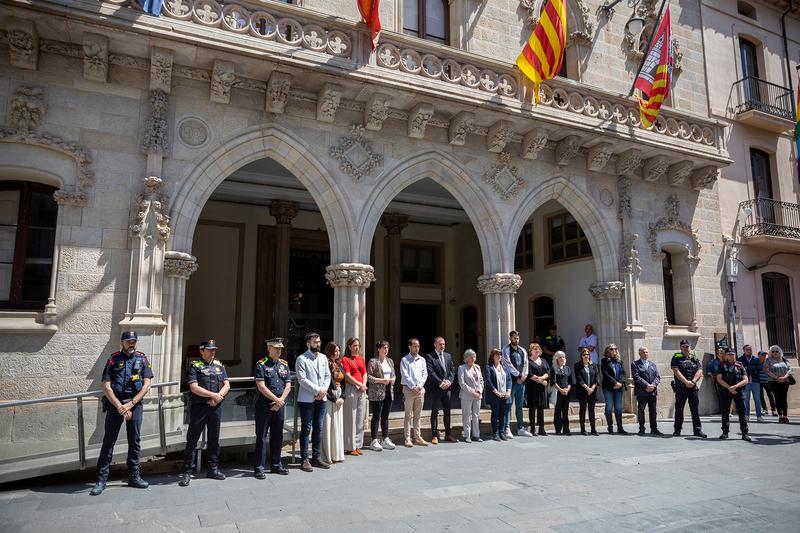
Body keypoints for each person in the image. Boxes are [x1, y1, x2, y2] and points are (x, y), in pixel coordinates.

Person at [90, 331, 154, 496]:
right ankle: (101, 479)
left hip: (135, 404)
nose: (131, 344)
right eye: (128, 341)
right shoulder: (113, 359)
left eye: (133, 341)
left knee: (135, 440)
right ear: (122, 342)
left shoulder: (142, 358)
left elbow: (147, 384)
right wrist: (120, 406)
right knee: (109, 441)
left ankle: (134, 476)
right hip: (116, 404)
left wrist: (131, 404)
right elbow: (106, 385)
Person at [179, 339, 230, 486]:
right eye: (209, 349)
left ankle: (213, 469)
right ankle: (187, 472)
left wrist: (219, 396)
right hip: (200, 407)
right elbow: (194, 387)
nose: (213, 351)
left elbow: (227, 384)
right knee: (192, 440)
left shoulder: (219, 365)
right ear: (202, 351)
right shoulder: (195, 366)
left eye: (214, 349)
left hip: (215, 407)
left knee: (214, 439)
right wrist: (212, 395)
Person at [253, 337, 292, 478]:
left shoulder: (284, 364)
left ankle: (276, 465)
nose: (279, 350)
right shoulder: (261, 364)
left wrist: (280, 400)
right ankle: (259, 468)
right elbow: (261, 386)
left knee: (277, 436)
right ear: (269, 349)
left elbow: (288, 384)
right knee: (261, 437)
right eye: (276, 348)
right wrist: (276, 399)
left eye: (280, 348)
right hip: (264, 405)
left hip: (279, 405)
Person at [295, 332, 332, 472]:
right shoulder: (301, 359)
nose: (318, 343)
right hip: (307, 399)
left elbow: (327, 376)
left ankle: (316, 457)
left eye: (319, 341)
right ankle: (304, 459)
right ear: (308, 343)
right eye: (315, 341)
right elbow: (302, 380)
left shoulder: (323, 358)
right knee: (306, 428)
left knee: (318, 428)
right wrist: (317, 390)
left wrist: (323, 390)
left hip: (321, 398)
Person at [670, 339, 706, 438]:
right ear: (681, 348)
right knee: (679, 410)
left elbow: (699, 371)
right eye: (684, 347)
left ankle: (697, 430)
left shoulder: (694, 357)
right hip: (681, 387)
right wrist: (686, 382)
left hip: (693, 387)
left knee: (695, 410)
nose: (686, 348)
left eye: (687, 346)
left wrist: (693, 381)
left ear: (690, 347)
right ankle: (677, 430)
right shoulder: (676, 357)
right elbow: (676, 371)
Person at [366, 340, 397, 451]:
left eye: (387, 347)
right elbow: (368, 377)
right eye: (384, 347)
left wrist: (393, 379)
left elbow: (393, 375)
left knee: (385, 416)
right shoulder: (373, 361)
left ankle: (385, 438)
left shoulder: (390, 361)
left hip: (389, 391)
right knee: (376, 416)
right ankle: (374, 440)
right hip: (377, 393)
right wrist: (381, 380)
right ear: (378, 349)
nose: (386, 349)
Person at [425, 337, 457, 443]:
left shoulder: (448, 356)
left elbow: (452, 370)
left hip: (447, 389)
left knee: (447, 411)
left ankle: (448, 434)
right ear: (435, 344)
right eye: (440, 344)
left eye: (443, 344)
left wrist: (449, 381)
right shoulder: (430, 356)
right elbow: (430, 372)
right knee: (435, 412)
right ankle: (434, 435)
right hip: (436, 389)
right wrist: (440, 382)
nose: (442, 346)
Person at [716, 349, 751, 441]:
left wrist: (735, 387)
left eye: (732, 354)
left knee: (742, 412)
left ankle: (745, 433)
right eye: (729, 354)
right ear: (726, 355)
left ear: (735, 355)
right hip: (725, 391)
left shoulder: (740, 365)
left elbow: (746, 380)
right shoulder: (722, 364)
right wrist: (729, 388)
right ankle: (725, 432)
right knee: (725, 412)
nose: (731, 355)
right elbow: (719, 379)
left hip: (738, 391)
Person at [400, 338, 428, 447]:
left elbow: (425, 374)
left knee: (418, 415)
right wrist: (413, 386)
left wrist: (420, 386)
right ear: (409, 347)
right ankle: (407, 438)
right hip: (408, 390)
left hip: (420, 390)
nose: (417, 348)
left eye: (418, 346)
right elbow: (405, 375)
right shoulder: (405, 360)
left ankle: (417, 436)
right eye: (414, 346)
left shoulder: (422, 360)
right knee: (408, 415)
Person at [502, 330, 530, 438]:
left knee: (519, 405)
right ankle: (507, 428)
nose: (516, 340)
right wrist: (518, 375)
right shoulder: (506, 350)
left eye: (517, 338)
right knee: (508, 405)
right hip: (511, 382)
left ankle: (520, 428)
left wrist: (523, 376)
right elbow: (508, 364)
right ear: (510, 338)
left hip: (521, 382)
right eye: (514, 338)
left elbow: (526, 364)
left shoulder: (522, 350)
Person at [341, 337, 368, 455]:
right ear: (349, 347)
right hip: (351, 388)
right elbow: (347, 376)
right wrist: (358, 384)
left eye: (358, 345)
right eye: (354, 345)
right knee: (350, 418)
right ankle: (349, 446)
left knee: (360, 418)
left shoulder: (361, 359)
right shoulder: (345, 359)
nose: (357, 348)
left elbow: (365, 373)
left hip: (362, 389)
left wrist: (363, 385)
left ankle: (357, 445)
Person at [322, 341, 345, 464]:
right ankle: (328, 455)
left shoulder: (339, 364)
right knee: (329, 426)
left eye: (338, 350)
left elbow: (344, 382)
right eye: (335, 350)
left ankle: (337, 454)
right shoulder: (326, 364)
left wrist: (343, 397)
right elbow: (326, 384)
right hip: (330, 398)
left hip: (339, 397)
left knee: (337, 426)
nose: (337, 353)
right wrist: (334, 399)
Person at [631, 346, 662, 436]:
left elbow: (657, 377)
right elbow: (636, 377)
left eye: (647, 352)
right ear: (640, 353)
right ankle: (642, 429)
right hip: (642, 391)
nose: (646, 354)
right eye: (644, 352)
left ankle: (654, 428)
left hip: (652, 391)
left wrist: (653, 385)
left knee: (653, 411)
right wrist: (647, 385)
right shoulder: (635, 364)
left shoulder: (652, 364)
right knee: (641, 410)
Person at [457, 349, 484, 443]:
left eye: (474, 356)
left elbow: (481, 381)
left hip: (477, 396)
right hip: (466, 395)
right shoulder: (461, 368)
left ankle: (476, 435)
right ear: (466, 358)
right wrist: (473, 392)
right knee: (466, 415)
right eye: (471, 356)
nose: (473, 358)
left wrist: (479, 391)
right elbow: (462, 383)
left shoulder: (477, 367)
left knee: (476, 415)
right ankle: (467, 435)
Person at [600, 344, 628, 434]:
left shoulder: (619, 361)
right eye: (611, 349)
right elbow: (604, 373)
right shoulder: (604, 361)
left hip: (619, 388)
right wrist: (614, 382)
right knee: (609, 407)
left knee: (618, 407)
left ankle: (620, 428)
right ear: (608, 351)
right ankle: (610, 427)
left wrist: (620, 382)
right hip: (609, 387)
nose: (614, 350)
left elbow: (624, 373)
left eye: (615, 348)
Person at [486, 348, 512, 441]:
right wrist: (495, 391)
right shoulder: (489, 367)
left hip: (504, 395)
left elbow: (509, 380)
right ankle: (495, 433)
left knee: (503, 414)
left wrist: (509, 391)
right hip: (495, 395)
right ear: (492, 356)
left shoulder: (504, 367)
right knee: (495, 414)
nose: (499, 356)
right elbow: (488, 381)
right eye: (497, 355)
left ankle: (501, 432)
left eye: (500, 355)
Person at [525, 342, 550, 436]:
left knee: (541, 408)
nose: (538, 350)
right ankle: (532, 429)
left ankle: (542, 429)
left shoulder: (543, 360)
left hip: (541, 388)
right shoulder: (528, 361)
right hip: (532, 387)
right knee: (532, 408)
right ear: (531, 351)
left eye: (538, 349)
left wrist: (542, 378)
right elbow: (529, 374)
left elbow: (548, 371)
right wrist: (540, 380)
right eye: (535, 349)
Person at [574, 347, 599, 435]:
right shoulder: (577, 365)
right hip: (582, 391)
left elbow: (597, 378)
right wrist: (587, 388)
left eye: (588, 354)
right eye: (584, 355)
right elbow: (579, 378)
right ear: (581, 356)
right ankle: (583, 429)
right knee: (583, 410)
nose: (586, 356)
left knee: (591, 410)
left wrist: (592, 388)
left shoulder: (594, 365)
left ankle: (593, 429)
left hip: (592, 391)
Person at [766, 345, 793, 423]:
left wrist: (784, 377)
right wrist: (777, 378)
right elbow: (767, 370)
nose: (775, 353)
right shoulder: (768, 360)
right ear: (771, 352)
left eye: (777, 351)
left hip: (785, 381)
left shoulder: (784, 359)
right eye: (773, 351)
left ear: (780, 352)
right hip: (773, 382)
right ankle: (780, 416)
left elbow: (790, 369)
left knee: (784, 398)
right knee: (777, 398)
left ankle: (785, 416)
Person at [738, 345, 764, 422]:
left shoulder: (756, 359)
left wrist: (748, 368)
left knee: (757, 399)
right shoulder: (740, 359)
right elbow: (740, 370)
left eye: (750, 349)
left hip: (755, 381)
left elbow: (760, 368)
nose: (749, 351)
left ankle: (759, 416)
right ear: (744, 351)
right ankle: (746, 415)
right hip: (745, 382)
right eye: (747, 350)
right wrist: (753, 368)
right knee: (746, 400)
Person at [551, 351, 572, 435]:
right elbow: (553, 381)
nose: (562, 359)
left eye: (563, 357)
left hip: (567, 392)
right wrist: (561, 390)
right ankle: (558, 429)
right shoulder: (554, 368)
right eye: (560, 357)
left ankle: (566, 429)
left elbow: (570, 381)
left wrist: (567, 389)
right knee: (558, 410)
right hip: (558, 392)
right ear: (556, 359)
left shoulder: (567, 368)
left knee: (565, 411)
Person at [757, 350, 777, 417]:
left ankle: (773, 410)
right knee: (761, 396)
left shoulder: (768, 362)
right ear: (759, 356)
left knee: (771, 395)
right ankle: (765, 410)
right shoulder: (756, 362)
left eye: (765, 355)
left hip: (768, 381)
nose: (764, 356)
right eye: (762, 355)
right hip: (759, 382)